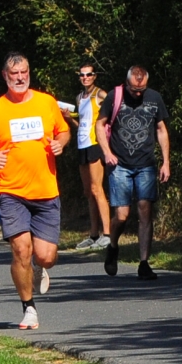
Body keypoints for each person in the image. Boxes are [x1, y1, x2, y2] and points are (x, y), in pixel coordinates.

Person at [0, 51, 71, 331]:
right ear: (5, 76)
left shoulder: (46, 102)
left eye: (24, 72)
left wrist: (61, 143)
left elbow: (63, 130)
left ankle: (39, 267)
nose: (20, 78)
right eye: (14, 73)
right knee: (20, 249)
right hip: (10, 190)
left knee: (46, 256)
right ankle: (28, 307)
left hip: (45, 190)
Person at [97, 65, 171, 281]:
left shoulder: (154, 98)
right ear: (126, 83)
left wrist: (166, 162)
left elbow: (161, 129)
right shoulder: (114, 96)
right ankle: (113, 245)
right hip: (120, 163)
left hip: (146, 164)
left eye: (141, 90)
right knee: (122, 215)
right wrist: (107, 152)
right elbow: (100, 125)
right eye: (134, 90)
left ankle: (144, 263)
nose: (138, 94)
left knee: (145, 210)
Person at [68, 63, 110, 249]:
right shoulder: (79, 98)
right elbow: (82, 124)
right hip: (82, 144)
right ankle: (93, 234)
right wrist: (69, 118)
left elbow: (113, 111)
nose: (85, 78)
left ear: (94, 76)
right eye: (82, 75)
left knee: (97, 189)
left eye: (89, 74)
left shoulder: (100, 94)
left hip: (94, 144)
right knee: (88, 192)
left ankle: (107, 234)